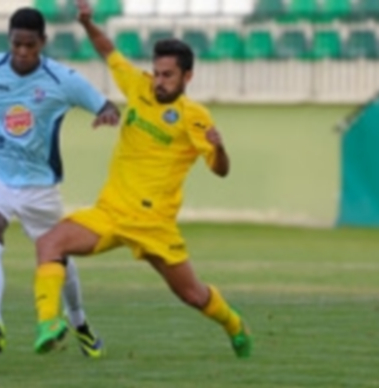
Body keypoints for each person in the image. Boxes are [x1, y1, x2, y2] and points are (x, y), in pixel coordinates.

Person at [30, 0, 252, 358]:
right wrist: (88, 23)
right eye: (157, 72)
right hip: (111, 212)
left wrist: (220, 148)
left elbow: (220, 170)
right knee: (49, 244)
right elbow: (109, 51)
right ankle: (49, 325)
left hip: (153, 224)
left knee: (192, 295)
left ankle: (234, 324)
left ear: (187, 77)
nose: (159, 81)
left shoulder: (193, 116)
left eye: (168, 75)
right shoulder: (139, 87)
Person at [0, 7, 120, 357]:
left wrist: (106, 113)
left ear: (43, 42)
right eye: (17, 44)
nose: (23, 52)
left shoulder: (63, 80)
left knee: (56, 253)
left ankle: (80, 323)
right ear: (9, 40)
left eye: (30, 45)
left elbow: (107, 106)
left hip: (38, 185)